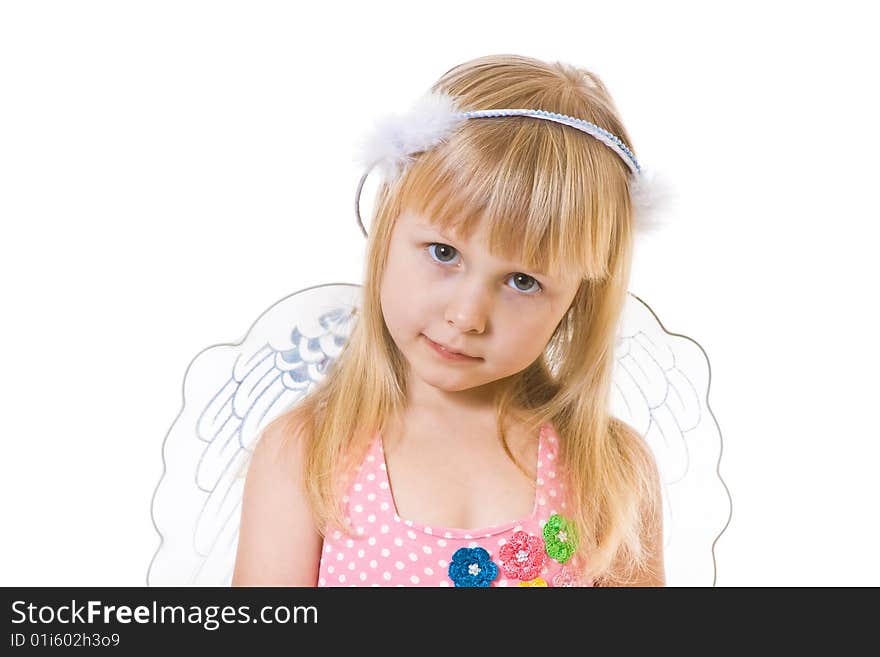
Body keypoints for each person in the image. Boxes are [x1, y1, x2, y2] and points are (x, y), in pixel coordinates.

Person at [231, 53, 665, 587]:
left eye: (522, 281)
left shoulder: (608, 471)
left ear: (578, 300)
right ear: (389, 227)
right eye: (442, 252)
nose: (466, 316)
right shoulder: (308, 455)